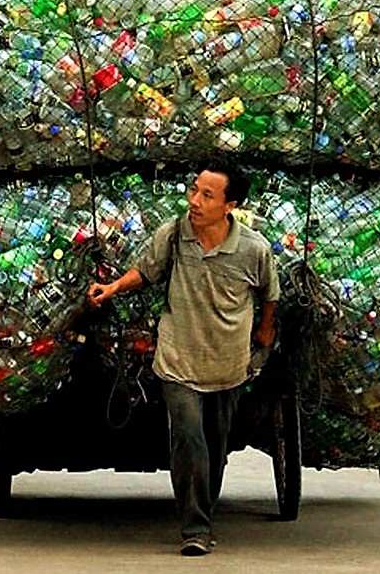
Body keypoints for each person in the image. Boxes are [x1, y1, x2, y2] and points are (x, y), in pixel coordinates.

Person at [87, 155, 280, 556]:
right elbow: (146, 270)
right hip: (178, 358)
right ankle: (195, 527)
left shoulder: (253, 249)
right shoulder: (175, 234)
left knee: (216, 443)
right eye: (194, 190)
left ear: (230, 206)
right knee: (189, 439)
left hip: (229, 363)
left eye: (207, 195)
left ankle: (203, 510)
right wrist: (112, 288)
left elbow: (269, 295)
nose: (195, 200)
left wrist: (265, 329)